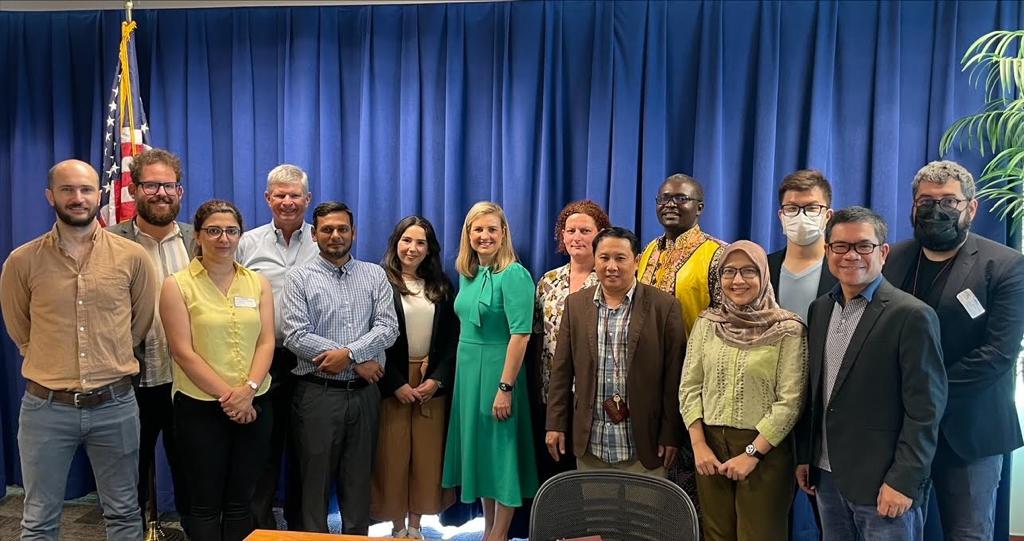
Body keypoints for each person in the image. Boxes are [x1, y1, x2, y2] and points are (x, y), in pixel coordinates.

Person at [0, 159, 158, 541]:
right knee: (38, 518)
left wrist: (110, 353)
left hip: (115, 406)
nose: (78, 198)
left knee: (123, 512)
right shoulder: (23, 261)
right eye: (67, 190)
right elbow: (19, 329)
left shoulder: (132, 257)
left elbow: (139, 323)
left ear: (99, 195)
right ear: (50, 196)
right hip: (46, 410)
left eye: (86, 189)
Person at [883, 160, 1024, 540]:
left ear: (971, 207)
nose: (936, 210)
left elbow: (998, 354)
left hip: (970, 430)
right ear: (913, 206)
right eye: (925, 200)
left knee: (968, 533)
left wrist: (924, 393)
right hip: (902, 433)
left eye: (948, 200)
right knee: (898, 531)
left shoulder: (1006, 266)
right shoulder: (890, 259)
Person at [794, 206, 947, 541]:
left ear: (883, 252)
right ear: (827, 250)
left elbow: (925, 411)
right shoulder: (820, 309)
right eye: (841, 246)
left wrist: (903, 481)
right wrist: (806, 455)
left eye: (863, 246)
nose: (851, 255)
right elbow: (817, 392)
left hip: (883, 484)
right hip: (826, 476)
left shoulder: (912, 315)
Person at [160, 199, 275, 541]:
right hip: (200, 409)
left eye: (231, 231)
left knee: (242, 501)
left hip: (256, 404)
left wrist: (248, 390)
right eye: (213, 230)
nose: (223, 238)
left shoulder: (258, 284)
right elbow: (183, 351)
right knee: (204, 503)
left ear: (240, 235)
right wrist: (231, 397)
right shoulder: (177, 285)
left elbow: (266, 341)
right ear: (197, 235)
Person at [282, 201, 399, 535]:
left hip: (365, 397)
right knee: (313, 486)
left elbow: (388, 328)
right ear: (314, 234)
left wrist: (350, 355)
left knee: (359, 484)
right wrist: (354, 358)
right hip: (318, 395)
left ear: (353, 232)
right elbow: (295, 335)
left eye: (342, 229)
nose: (335, 235)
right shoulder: (299, 278)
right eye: (327, 229)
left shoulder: (374, 275)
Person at [679, 240, 807, 540]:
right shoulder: (707, 323)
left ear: (764, 275)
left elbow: (791, 401)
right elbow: (689, 387)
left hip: (764, 452)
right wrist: (699, 446)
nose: (738, 281)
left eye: (748, 271)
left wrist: (752, 454)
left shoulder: (788, 329)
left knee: (759, 534)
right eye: (729, 272)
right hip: (708, 447)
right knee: (715, 534)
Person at [545, 227, 685, 477]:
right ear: (595, 259)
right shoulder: (576, 305)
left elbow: (674, 377)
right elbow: (561, 372)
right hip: (591, 443)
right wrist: (555, 424)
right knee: (597, 516)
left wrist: (671, 433)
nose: (612, 266)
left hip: (645, 445)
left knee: (643, 516)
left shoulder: (664, 307)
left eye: (620, 258)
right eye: (604, 258)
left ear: (636, 261)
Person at [106, 148, 194, 532]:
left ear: (181, 190)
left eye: (169, 185)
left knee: (191, 472)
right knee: (130, 477)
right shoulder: (109, 241)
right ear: (135, 189)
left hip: (189, 381)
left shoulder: (201, 239)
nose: (161, 192)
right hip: (132, 379)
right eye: (152, 184)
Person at [442, 201, 538, 541]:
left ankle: (499, 535)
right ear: (468, 234)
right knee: (481, 455)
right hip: (468, 376)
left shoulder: (514, 274)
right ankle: (487, 531)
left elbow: (521, 334)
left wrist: (505, 387)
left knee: (500, 455)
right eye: (477, 229)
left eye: (491, 230)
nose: (484, 236)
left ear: (503, 234)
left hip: (500, 373)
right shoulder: (469, 274)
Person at [235, 163, 319, 530]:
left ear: (308, 199)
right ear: (267, 198)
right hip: (261, 360)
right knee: (262, 450)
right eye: (280, 195)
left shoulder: (325, 240)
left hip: (312, 361)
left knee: (308, 450)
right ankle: (261, 527)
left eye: (294, 195)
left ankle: (305, 528)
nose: (287, 202)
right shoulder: (245, 243)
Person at [637, 172, 725, 511]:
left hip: (696, 384)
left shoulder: (717, 254)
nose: (671, 204)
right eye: (664, 199)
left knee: (690, 485)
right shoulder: (646, 252)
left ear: (699, 207)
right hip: (649, 383)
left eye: (681, 198)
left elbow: (723, 321)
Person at [371, 216, 458, 539]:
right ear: (396, 243)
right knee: (392, 455)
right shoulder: (379, 281)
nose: (413, 248)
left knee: (426, 456)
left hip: (430, 383)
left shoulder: (442, 285)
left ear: (429, 248)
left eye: (420, 242)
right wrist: (395, 384)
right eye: (407, 240)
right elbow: (371, 337)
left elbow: (452, 340)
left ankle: (416, 526)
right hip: (390, 380)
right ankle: (396, 527)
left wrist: (436, 380)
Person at [533, 200, 610, 479]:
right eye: (570, 231)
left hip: (594, 392)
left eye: (585, 231)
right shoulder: (547, 282)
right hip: (553, 391)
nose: (576, 237)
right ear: (562, 236)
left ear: (600, 235)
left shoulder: (609, 281)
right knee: (555, 469)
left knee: (589, 471)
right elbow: (538, 338)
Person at [766, 169, 838, 322]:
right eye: (792, 208)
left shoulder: (842, 269)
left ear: (828, 216)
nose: (801, 216)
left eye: (812, 208)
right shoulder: (764, 267)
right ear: (781, 216)